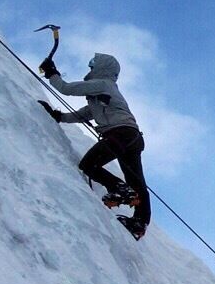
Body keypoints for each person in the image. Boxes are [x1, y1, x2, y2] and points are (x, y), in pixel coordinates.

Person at [38, 52, 149, 240]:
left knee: (89, 165)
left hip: (120, 133)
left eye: (92, 65)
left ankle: (120, 189)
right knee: (136, 180)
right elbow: (85, 113)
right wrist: (61, 117)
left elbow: (66, 89)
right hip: (132, 137)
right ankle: (139, 222)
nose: (90, 68)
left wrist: (52, 74)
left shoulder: (102, 84)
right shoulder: (101, 93)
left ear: (102, 68)